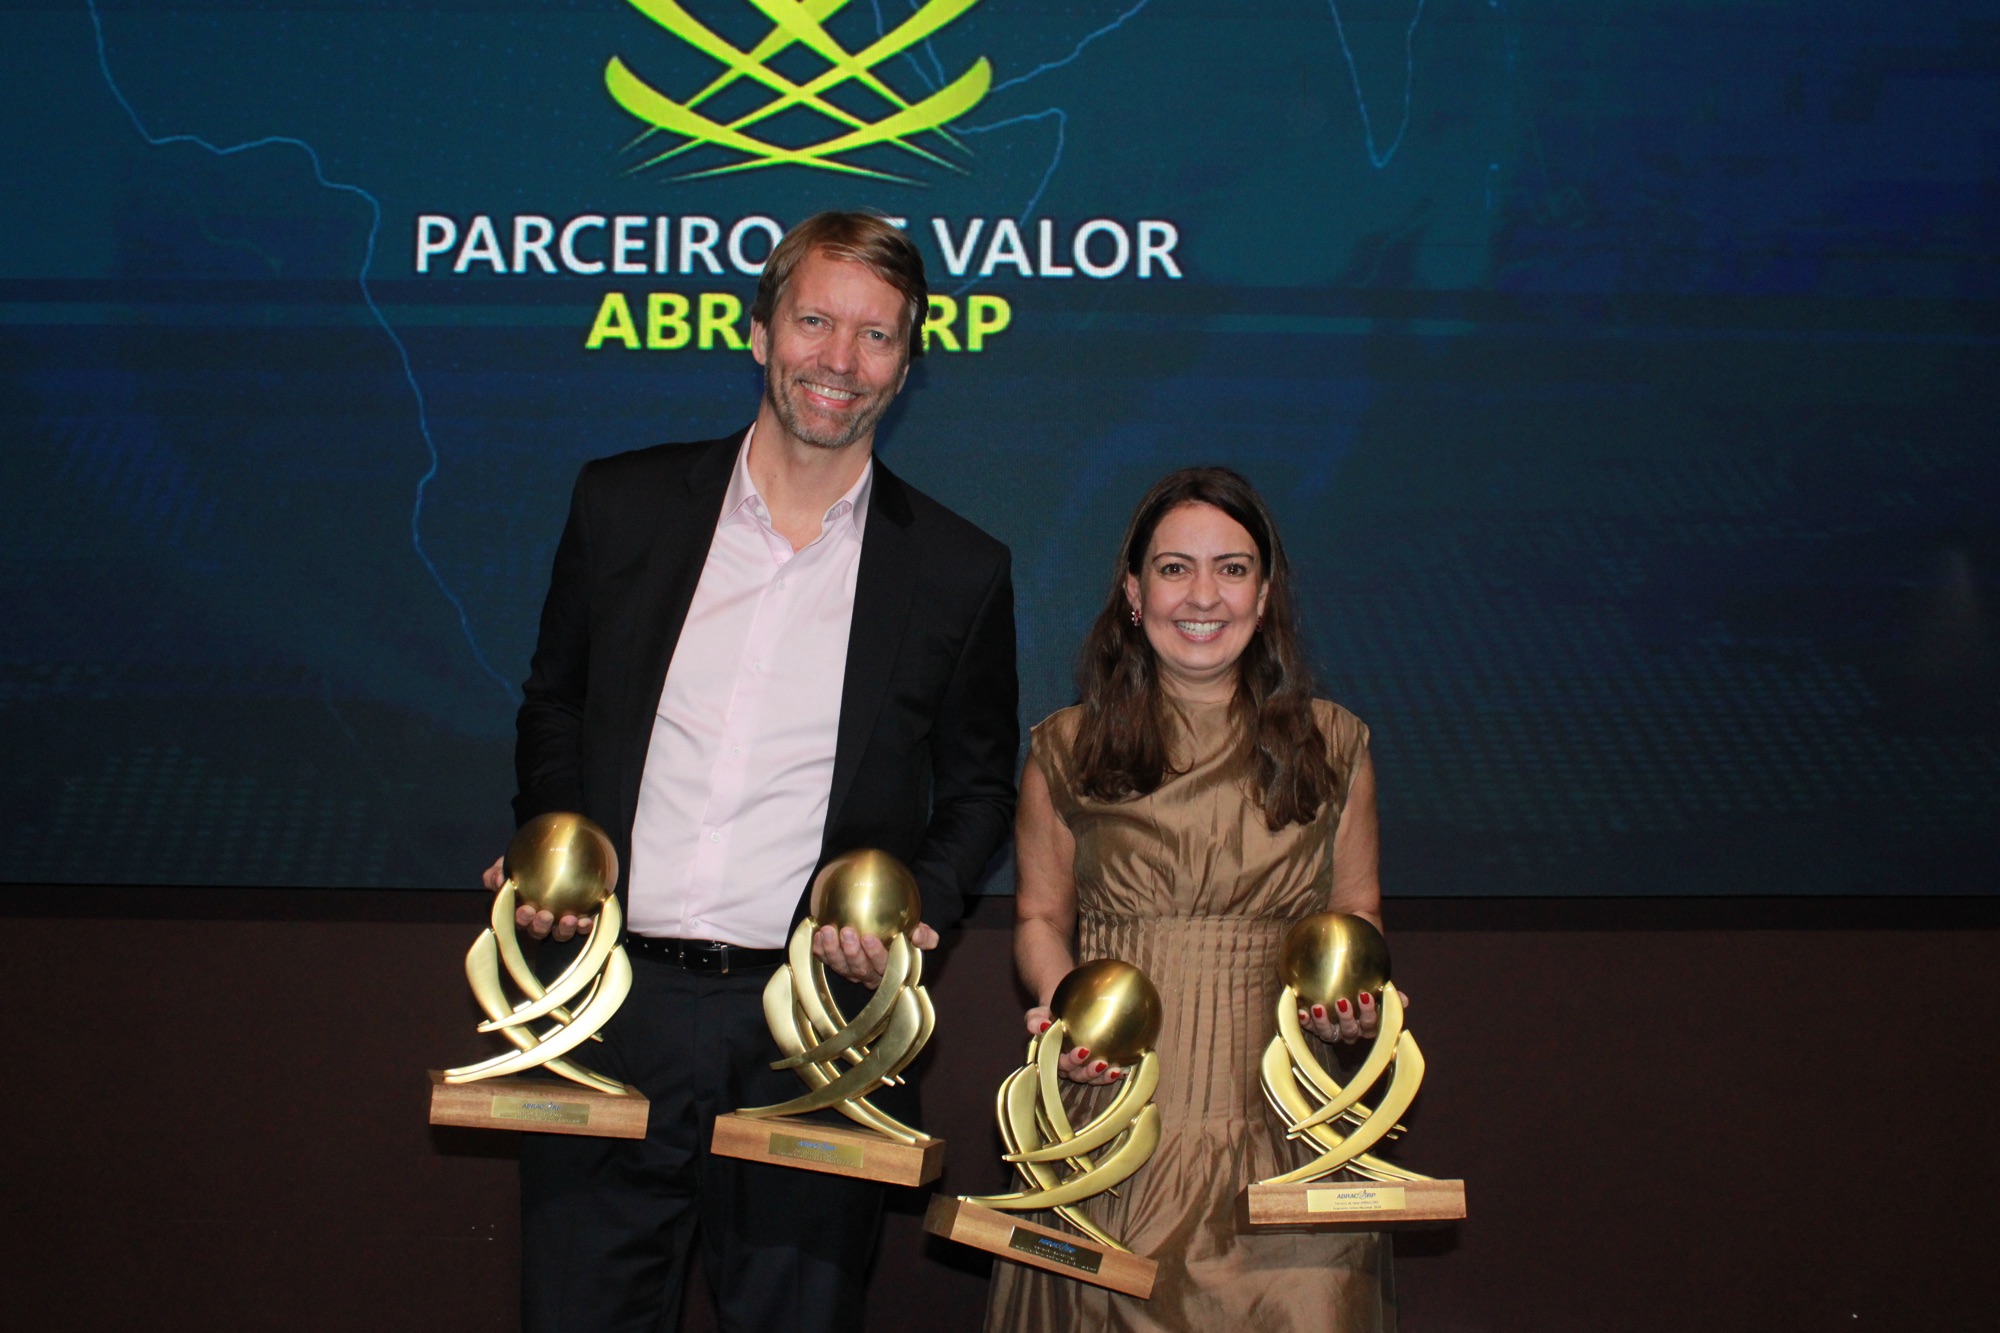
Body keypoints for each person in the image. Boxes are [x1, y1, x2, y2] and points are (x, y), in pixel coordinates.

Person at [491, 210, 1019, 1333]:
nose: (839, 361)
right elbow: (557, 704)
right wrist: (555, 843)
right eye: (815, 321)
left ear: (909, 360)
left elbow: (978, 788)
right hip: (603, 1007)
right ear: (758, 331)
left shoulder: (959, 569)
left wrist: (914, 908)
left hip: (817, 1037)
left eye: (876, 337)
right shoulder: (621, 505)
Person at [987, 467, 1395, 1332]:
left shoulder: (1337, 744)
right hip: (1111, 1121)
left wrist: (1353, 1008)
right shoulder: (1065, 748)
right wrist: (1066, 1013)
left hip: (1286, 1130)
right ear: (1134, 594)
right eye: (1174, 568)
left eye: (1232, 567)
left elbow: (1358, 913)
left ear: (1266, 591)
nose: (1202, 595)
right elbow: (1038, 918)